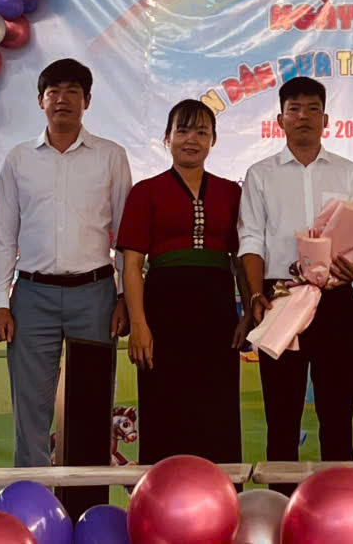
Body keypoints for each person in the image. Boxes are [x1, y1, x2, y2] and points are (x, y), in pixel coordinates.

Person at [0, 58, 132, 468]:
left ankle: (88, 500)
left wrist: (124, 296)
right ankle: (32, 495)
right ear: (40, 101)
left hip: (96, 294)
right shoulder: (19, 158)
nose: (62, 99)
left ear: (87, 100)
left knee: (92, 408)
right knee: (30, 409)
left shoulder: (111, 156)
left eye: (72, 91)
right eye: (53, 92)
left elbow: (125, 235)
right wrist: (0, 302)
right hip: (32, 296)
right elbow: (4, 236)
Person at [238, 77, 353, 480]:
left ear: (326, 119)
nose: (303, 117)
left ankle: (340, 508)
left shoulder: (348, 172)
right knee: (282, 420)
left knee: (338, 418)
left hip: (336, 300)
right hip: (281, 300)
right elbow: (250, 238)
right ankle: (281, 509)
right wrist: (256, 295)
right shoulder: (260, 174)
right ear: (280, 120)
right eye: (294, 109)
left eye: (313, 109)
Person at [116, 99, 251, 464]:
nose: (192, 139)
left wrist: (246, 314)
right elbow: (132, 265)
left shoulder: (232, 192)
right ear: (168, 138)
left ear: (213, 140)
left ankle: (221, 497)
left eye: (202, 132)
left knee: (217, 410)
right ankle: (161, 495)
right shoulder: (145, 191)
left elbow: (241, 259)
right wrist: (139, 325)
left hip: (218, 314)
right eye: (183, 130)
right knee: (164, 408)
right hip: (163, 312)